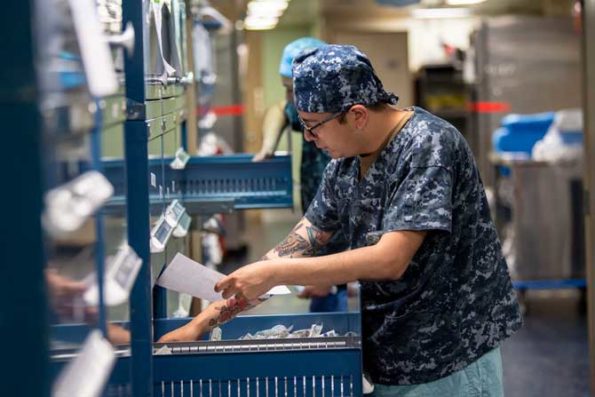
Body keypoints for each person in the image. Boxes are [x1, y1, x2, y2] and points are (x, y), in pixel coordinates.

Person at [161, 44, 522, 396]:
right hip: (392, 350)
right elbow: (296, 247)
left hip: (450, 355)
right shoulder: (346, 163)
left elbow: (389, 259)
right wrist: (201, 324)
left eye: (315, 126)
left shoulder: (428, 146)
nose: (309, 138)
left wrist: (275, 273)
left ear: (358, 115)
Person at [253, 37, 349, 313]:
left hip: (349, 260)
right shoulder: (311, 113)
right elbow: (279, 111)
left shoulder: (353, 142)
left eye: (291, 90)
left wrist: (329, 276)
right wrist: (268, 147)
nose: (288, 100)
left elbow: (384, 254)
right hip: (324, 248)